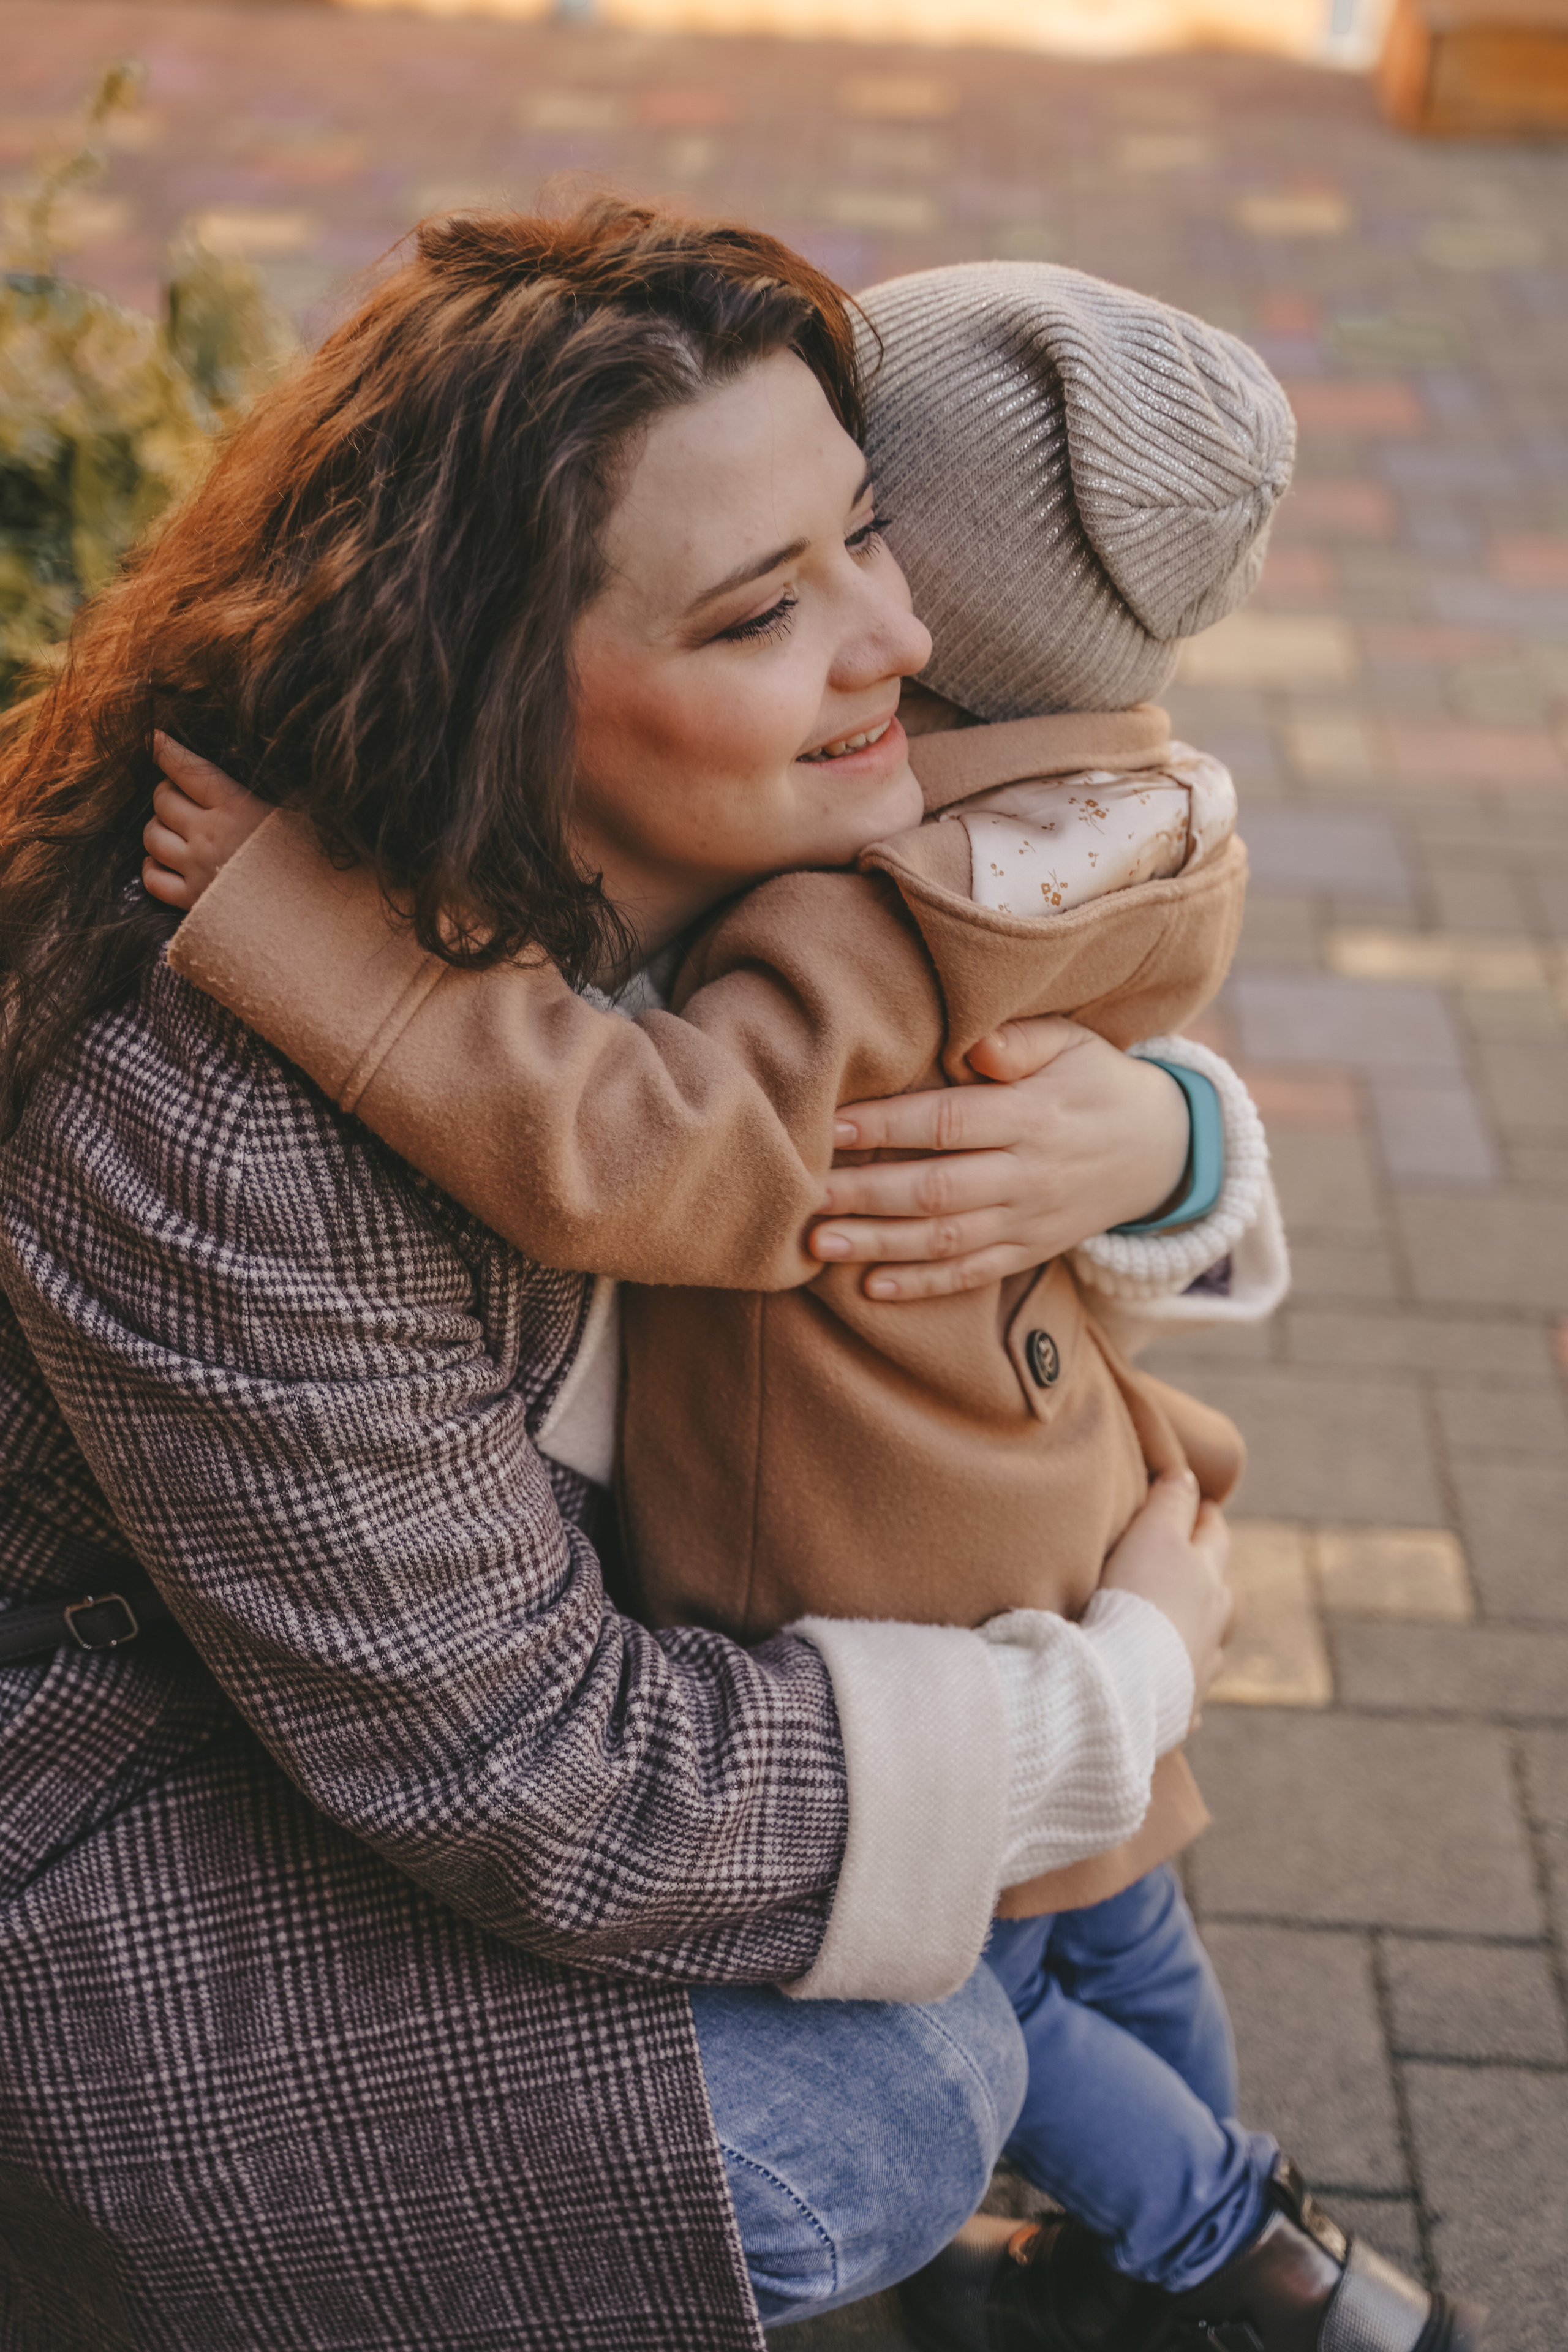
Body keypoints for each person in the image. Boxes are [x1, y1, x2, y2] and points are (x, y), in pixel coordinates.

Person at [143, 252, 1477, 2352]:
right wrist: (1175, 1140)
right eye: (770, 598)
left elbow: (651, 1135)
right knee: (1120, 1924)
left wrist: (324, 943)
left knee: (1008, 1996)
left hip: (907, 1552)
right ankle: (1174, 2253)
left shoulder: (869, 910)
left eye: (876, 531)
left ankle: (1224, 2253)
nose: (895, 628)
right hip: (1060, 1489)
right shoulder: (1125, 812)